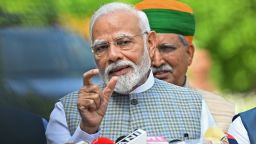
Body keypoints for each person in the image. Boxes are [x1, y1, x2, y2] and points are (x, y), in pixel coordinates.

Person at [45, 2, 215, 144]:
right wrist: (87, 130)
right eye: (101, 47)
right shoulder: (65, 111)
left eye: (124, 42)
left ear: (150, 43)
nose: (113, 55)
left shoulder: (194, 106)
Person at [135, 0, 235, 132]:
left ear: (189, 54)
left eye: (167, 49)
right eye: (148, 50)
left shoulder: (221, 113)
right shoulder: (109, 110)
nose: (157, 61)